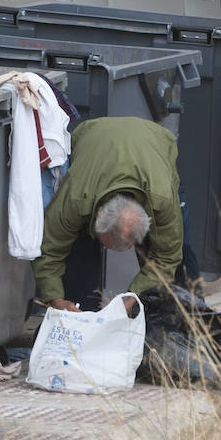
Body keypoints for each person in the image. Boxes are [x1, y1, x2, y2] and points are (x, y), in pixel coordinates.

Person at [32, 116, 199, 312]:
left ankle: (188, 315)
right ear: (98, 214)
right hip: (92, 140)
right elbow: (49, 248)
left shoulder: (161, 199)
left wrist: (132, 298)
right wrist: (55, 298)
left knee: (180, 248)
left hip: (154, 147)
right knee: (79, 248)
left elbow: (167, 257)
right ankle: (81, 313)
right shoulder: (76, 198)